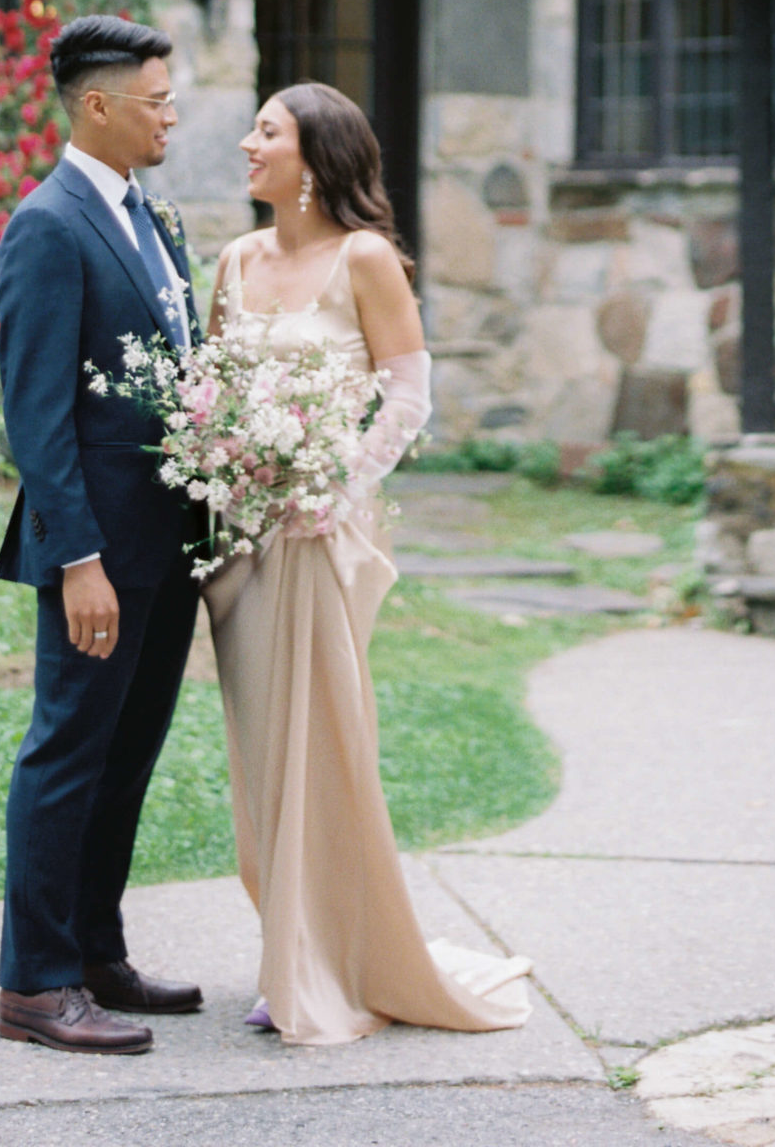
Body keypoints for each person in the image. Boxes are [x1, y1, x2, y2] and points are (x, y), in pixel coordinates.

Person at [204, 81, 532, 1047]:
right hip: (243, 538)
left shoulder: (366, 259)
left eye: (267, 131)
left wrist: (333, 482)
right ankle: (289, 945)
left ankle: (328, 960)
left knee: (328, 741)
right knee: (258, 752)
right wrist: (225, 461)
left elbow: (408, 393)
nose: (247, 143)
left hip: (326, 532)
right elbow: (215, 390)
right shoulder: (233, 260)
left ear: (317, 155)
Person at [0, 13, 206, 1055]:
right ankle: (34, 984)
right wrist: (79, 559)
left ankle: (95, 951)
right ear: (99, 104)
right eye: (158, 100)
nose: (172, 115)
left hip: (166, 546)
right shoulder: (47, 223)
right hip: (97, 558)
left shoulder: (149, 218)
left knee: (128, 754)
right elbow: (38, 415)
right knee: (70, 752)